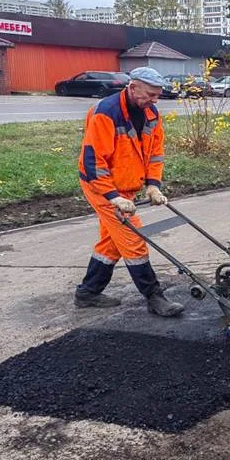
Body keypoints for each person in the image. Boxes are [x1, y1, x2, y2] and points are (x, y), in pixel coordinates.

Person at [74, 66, 184, 317]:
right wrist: (114, 197)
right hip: (101, 186)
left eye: (157, 95)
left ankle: (88, 293)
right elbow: (94, 162)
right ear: (132, 87)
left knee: (112, 242)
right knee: (133, 238)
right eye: (150, 95)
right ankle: (154, 296)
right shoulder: (106, 112)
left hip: (128, 186)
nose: (155, 100)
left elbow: (155, 154)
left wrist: (153, 185)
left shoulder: (151, 114)